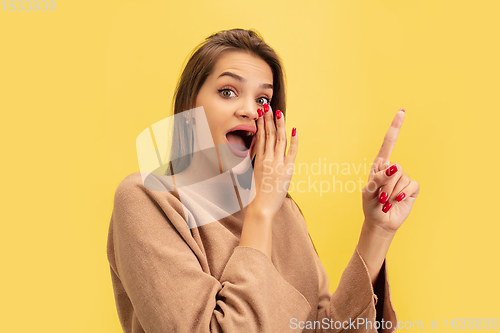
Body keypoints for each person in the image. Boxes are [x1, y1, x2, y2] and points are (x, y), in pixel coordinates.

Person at [107, 28, 420, 333]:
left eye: (263, 100)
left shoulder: (284, 212)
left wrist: (376, 230)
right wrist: (260, 212)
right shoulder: (147, 198)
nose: (249, 111)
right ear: (191, 105)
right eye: (227, 92)